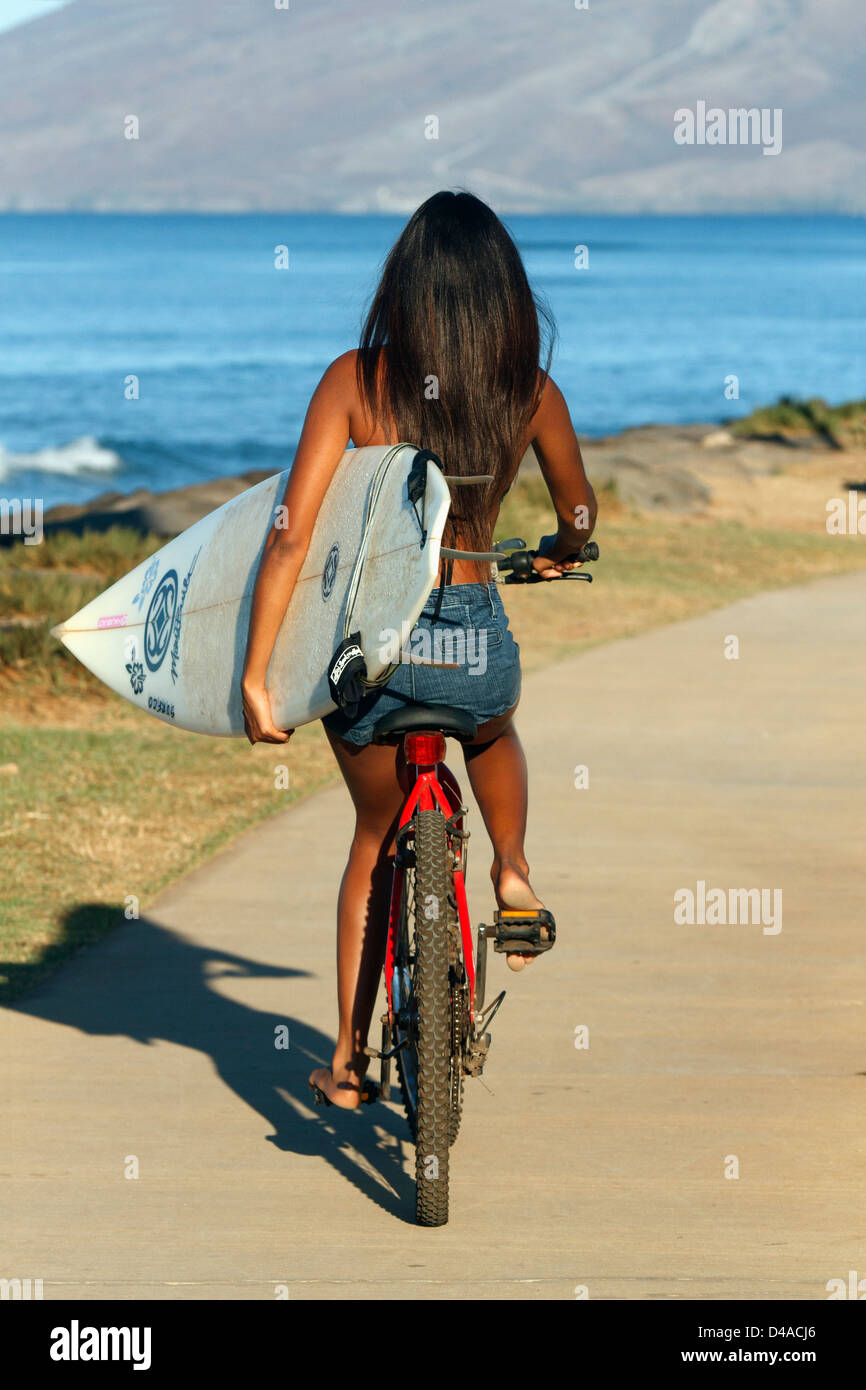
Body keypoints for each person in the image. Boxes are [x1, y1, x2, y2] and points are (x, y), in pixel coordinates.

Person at [241, 190, 597, 1109]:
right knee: (494, 729)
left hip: (375, 653)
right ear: (504, 296)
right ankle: (511, 866)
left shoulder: (356, 382)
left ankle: (349, 1064)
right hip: (476, 638)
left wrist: (257, 676)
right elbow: (579, 512)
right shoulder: (531, 392)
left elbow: (289, 533)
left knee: (374, 834)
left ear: (404, 287)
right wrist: (560, 554)